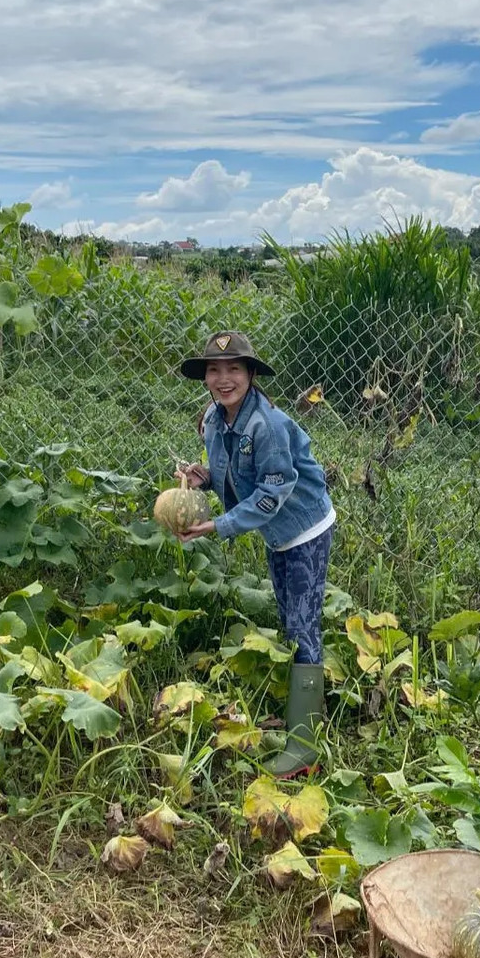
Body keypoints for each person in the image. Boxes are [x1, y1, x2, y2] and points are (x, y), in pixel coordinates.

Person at [174, 331, 334, 778]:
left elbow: (274, 489)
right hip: (276, 534)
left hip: (303, 528)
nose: (224, 378)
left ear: (250, 375)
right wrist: (201, 477)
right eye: (214, 369)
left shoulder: (267, 425)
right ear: (205, 377)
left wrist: (217, 525)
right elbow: (232, 475)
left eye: (234, 369)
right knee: (289, 618)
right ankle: (302, 713)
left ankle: (304, 748)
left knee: (303, 623)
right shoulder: (213, 418)